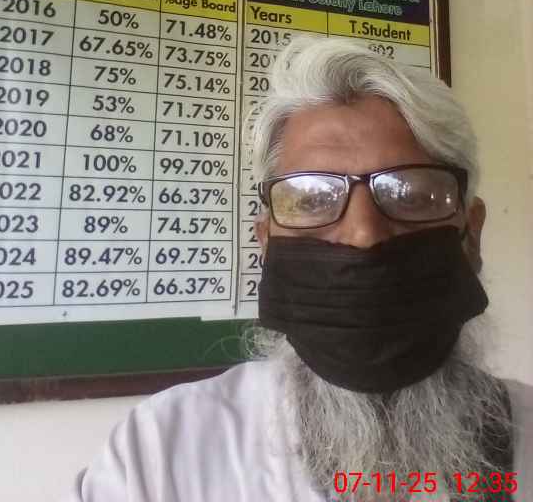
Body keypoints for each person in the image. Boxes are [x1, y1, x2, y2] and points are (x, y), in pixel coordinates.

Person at [65, 36, 532, 502]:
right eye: (311, 199)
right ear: (266, 241)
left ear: (471, 234)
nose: (363, 233)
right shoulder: (159, 457)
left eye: (409, 194)